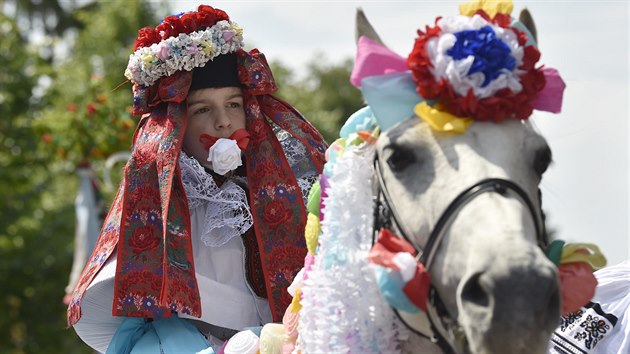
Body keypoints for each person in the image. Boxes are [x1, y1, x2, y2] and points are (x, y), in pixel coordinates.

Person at [66, 4, 326, 353]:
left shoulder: (277, 196)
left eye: (233, 104)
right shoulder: (158, 207)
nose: (223, 122)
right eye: (203, 109)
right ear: (175, 127)